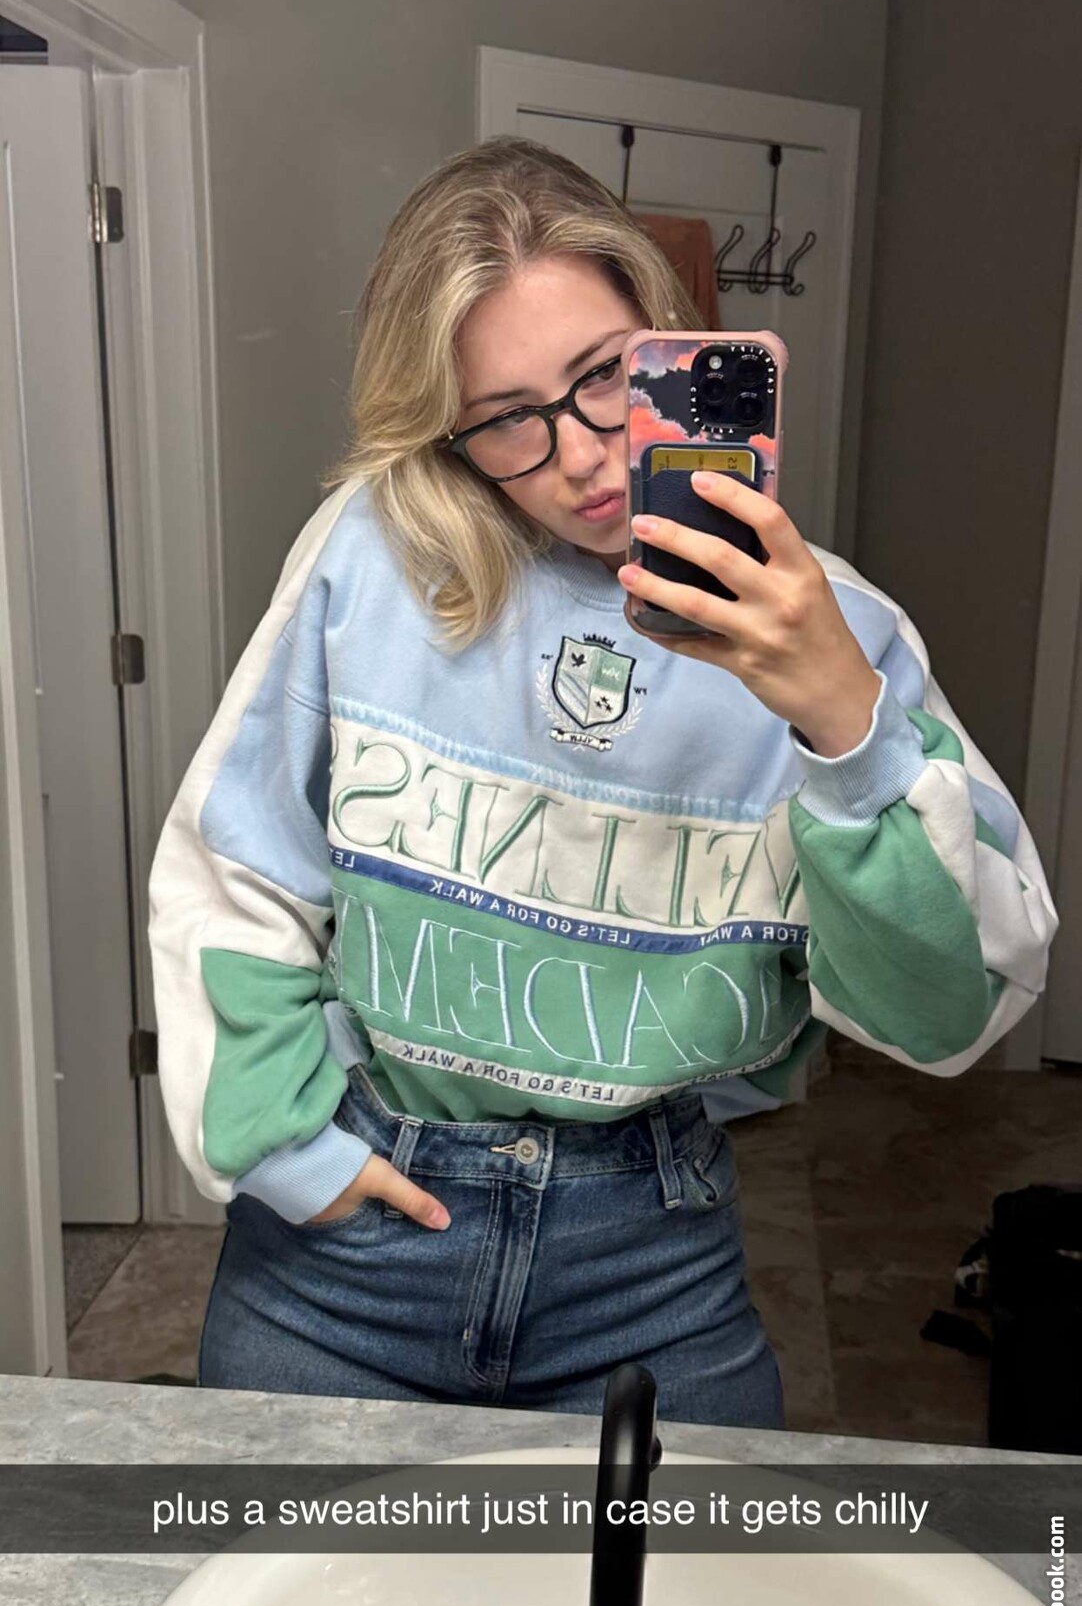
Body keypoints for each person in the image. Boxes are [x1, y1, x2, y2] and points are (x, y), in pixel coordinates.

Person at [148, 137, 1057, 1425]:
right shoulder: (378, 559)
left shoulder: (847, 633)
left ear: (674, 344)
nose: (579, 454)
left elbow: (951, 1014)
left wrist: (839, 720)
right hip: (345, 1265)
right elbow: (238, 866)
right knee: (291, 1568)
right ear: (451, 431)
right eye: (507, 419)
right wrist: (289, 1149)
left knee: (682, 1567)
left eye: (603, 378)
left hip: (652, 1262)